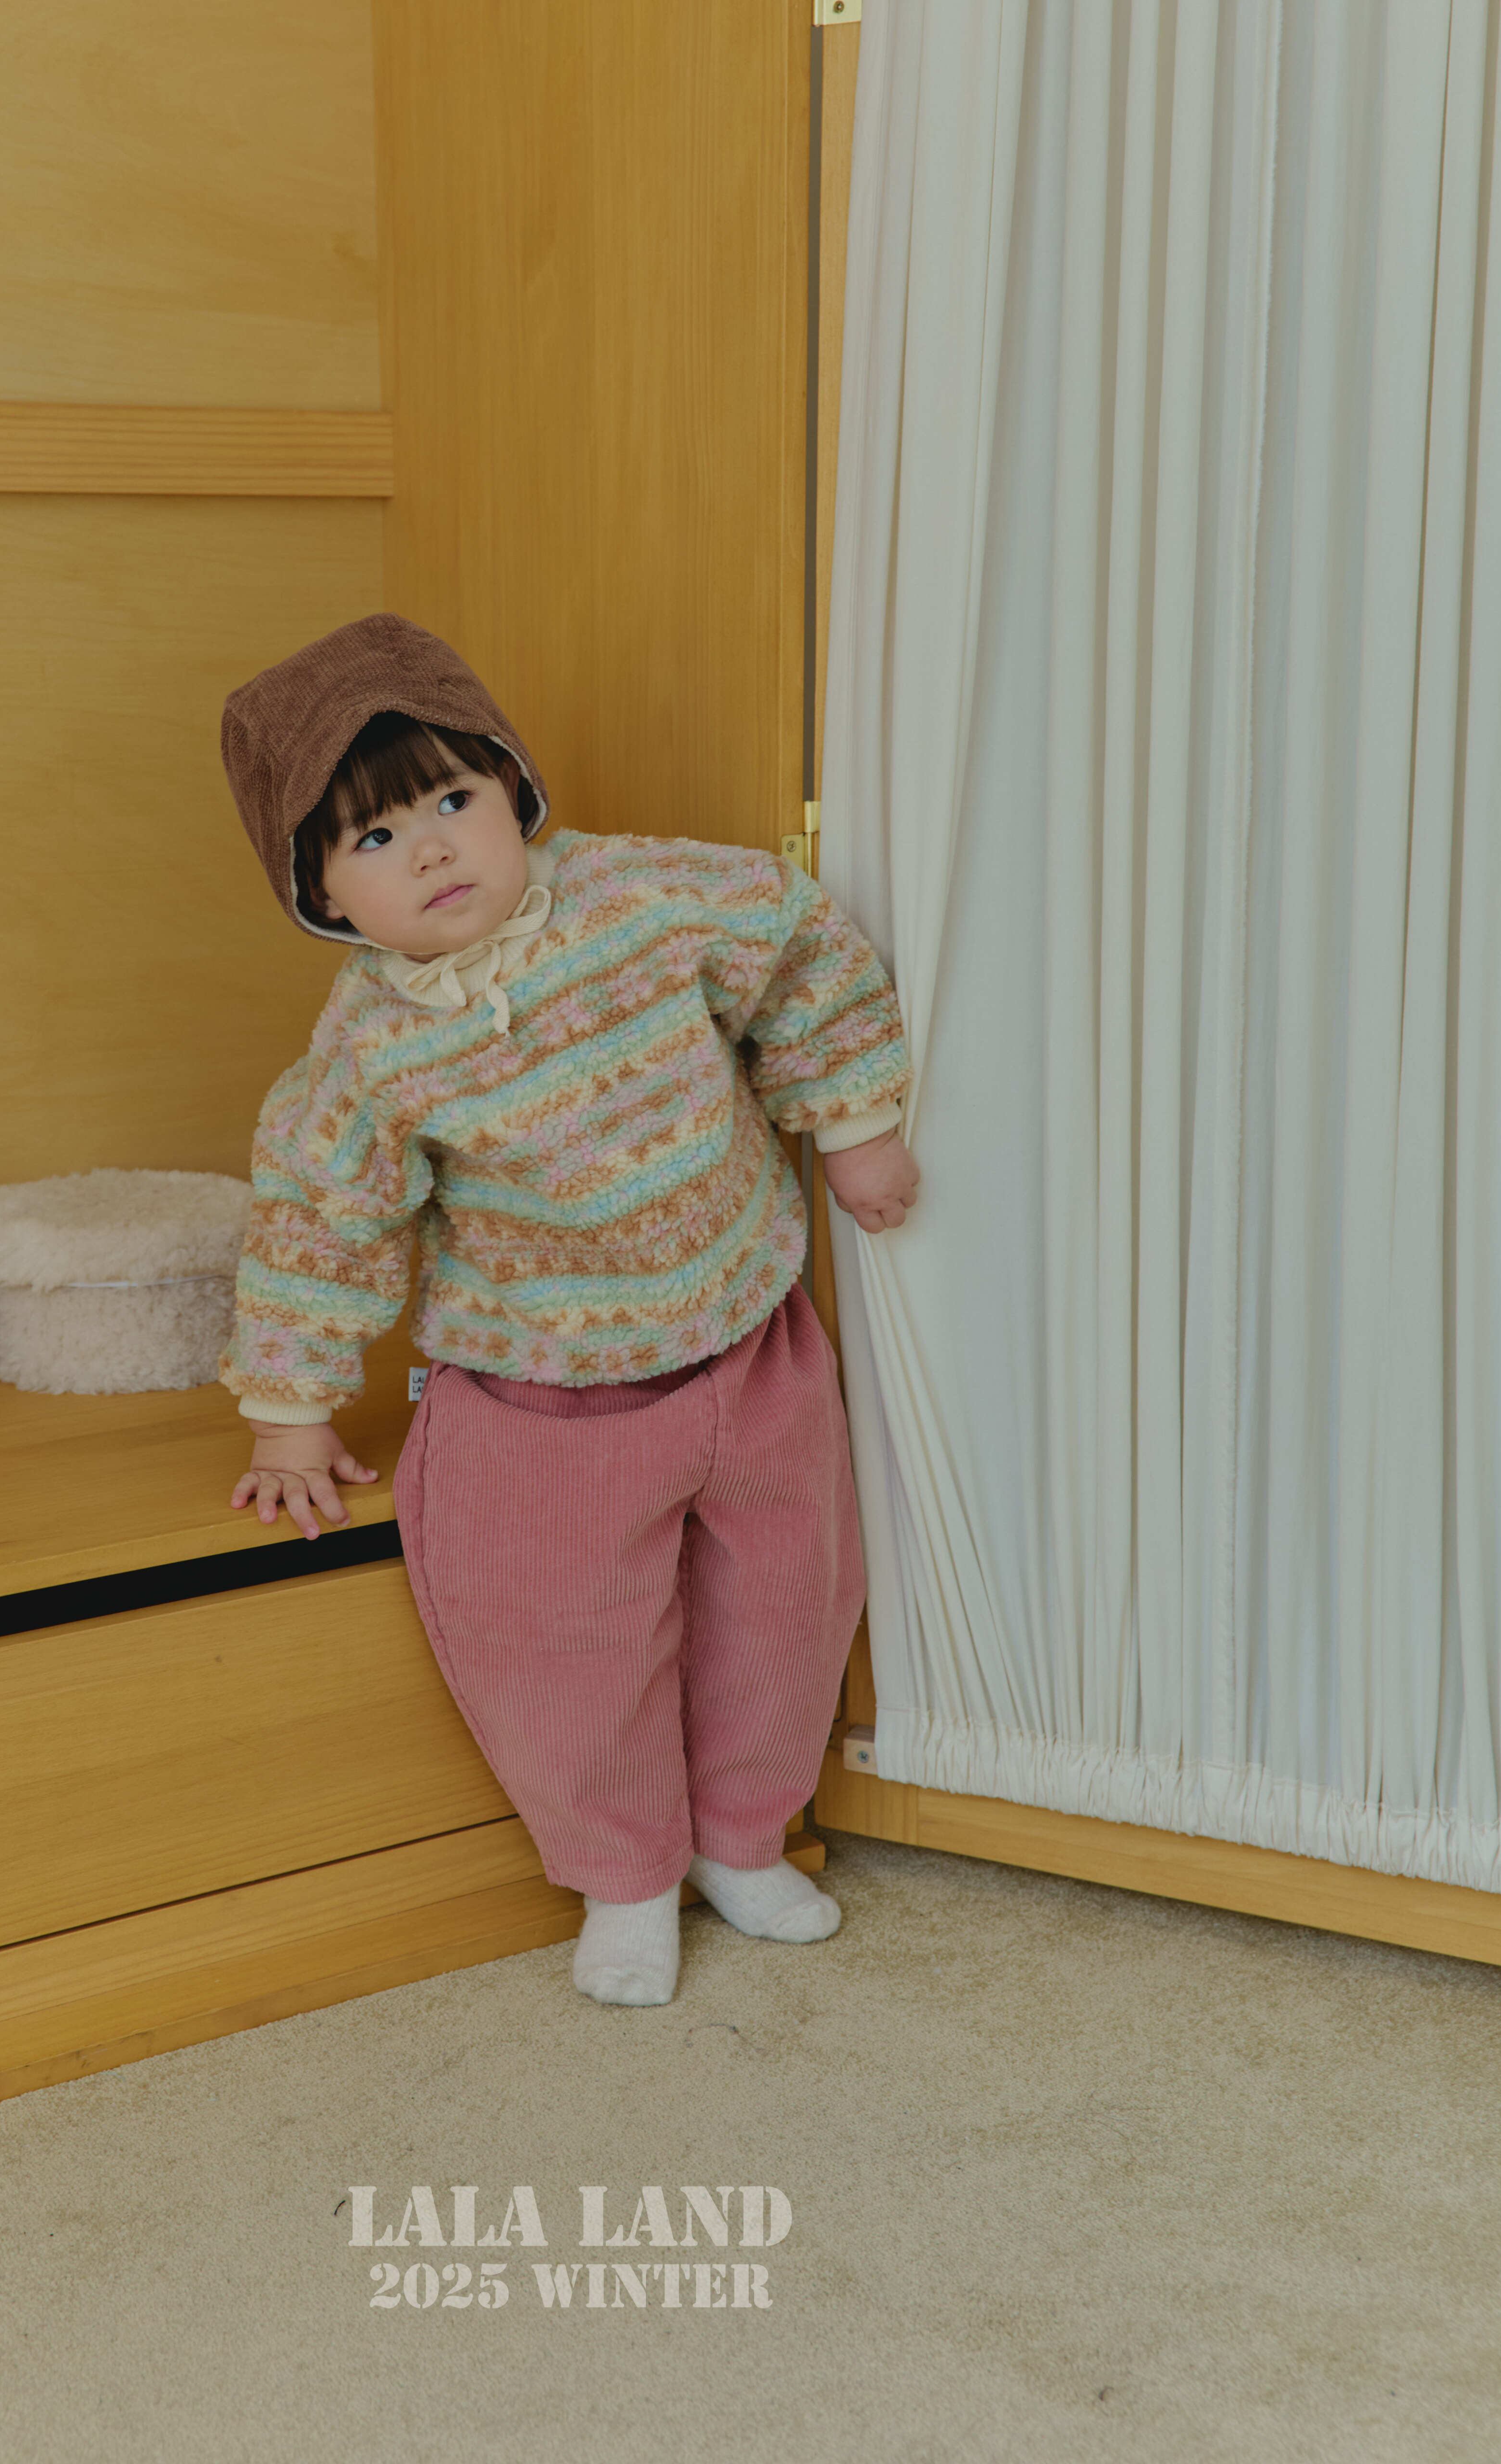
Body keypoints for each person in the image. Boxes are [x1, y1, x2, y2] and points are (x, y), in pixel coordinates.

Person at [216, 613, 918, 2007]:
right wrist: (290, 1414)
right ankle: (625, 1871)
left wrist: (850, 1123)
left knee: (789, 1605)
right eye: (374, 840)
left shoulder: (647, 897)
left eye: (452, 802)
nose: (432, 852)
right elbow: (320, 1218)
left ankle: (743, 1835)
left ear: (512, 786)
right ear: (320, 895)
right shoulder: (372, 1049)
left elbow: (799, 949)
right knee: (563, 1643)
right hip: (543, 1395)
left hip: (746, 1338)